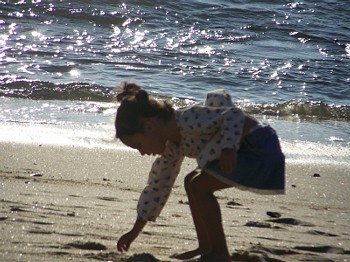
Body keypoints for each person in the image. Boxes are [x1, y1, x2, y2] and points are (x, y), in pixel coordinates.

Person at [115, 81, 285, 261]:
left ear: (149, 127)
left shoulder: (189, 120)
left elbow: (234, 115)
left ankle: (220, 253)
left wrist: (229, 147)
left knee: (199, 186)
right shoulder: (172, 147)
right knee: (191, 180)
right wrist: (134, 231)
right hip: (242, 152)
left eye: (138, 145)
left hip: (258, 148)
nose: (142, 153)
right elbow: (158, 185)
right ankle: (206, 246)